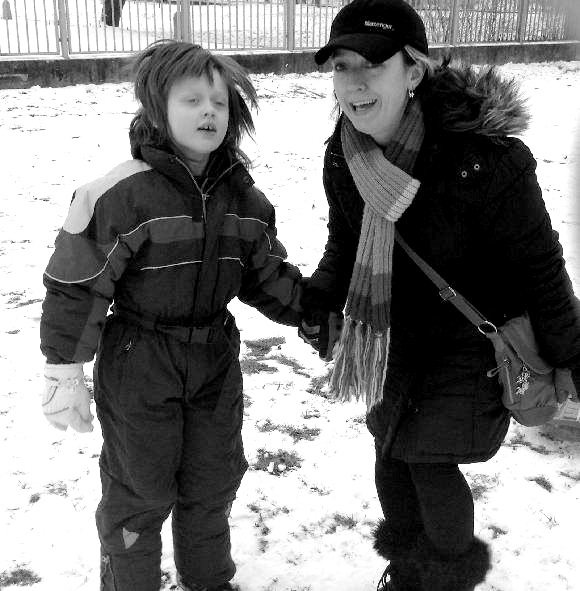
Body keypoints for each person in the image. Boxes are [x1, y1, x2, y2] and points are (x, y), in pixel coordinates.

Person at [299, 0, 580, 589]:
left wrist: (571, 354)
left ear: (414, 70)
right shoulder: (345, 153)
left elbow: (540, 266)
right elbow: (344, 242)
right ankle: (407, 573)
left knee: (427, 464)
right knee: (389, 458)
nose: (355, 83)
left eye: (373, 64)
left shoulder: (484, 159)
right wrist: (320, 297)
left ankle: (445, 580)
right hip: (393, 338)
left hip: (470, 346)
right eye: (342, 66)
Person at [40, 40, 302, 591]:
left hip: (213, 360)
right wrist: (64, 368)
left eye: (220, 102)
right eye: (192, 100)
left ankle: (208, 580)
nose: (209, 111)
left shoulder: (245, 201)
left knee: (212, 481)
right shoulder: (120, 194)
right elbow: (77, 285)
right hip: (140, 361)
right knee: (140, 488)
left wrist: (321, 314)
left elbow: (266, 277)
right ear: (157, 108)